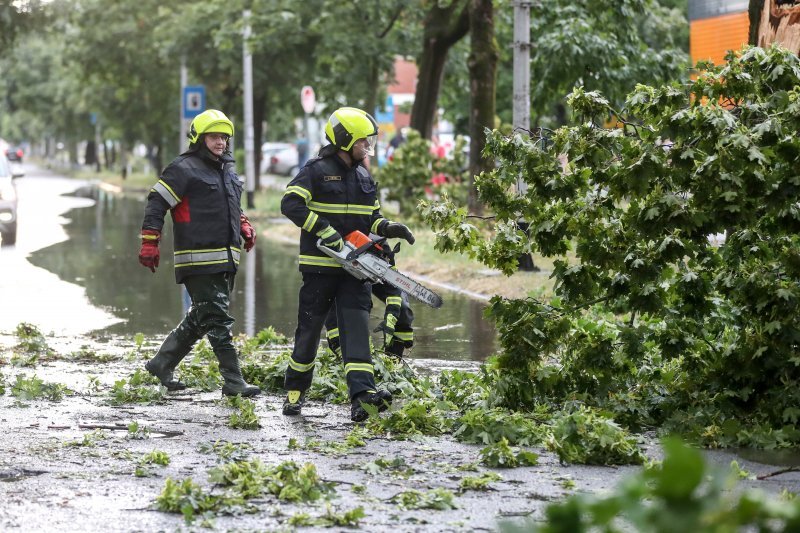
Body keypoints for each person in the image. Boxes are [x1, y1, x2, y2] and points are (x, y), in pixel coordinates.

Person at [280, 107, 416, 422]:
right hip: (319, 268)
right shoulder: (315, 171)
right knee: (309, 331)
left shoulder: (364, 176)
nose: (367, 147)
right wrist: (325, 230)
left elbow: (372, 218)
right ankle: (295, 393)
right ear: (344, 139)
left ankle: (362, 397)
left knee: (357, 330)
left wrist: (388, 227)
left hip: (356, 268)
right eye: (362, 141)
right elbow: (290, 203)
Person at [138, 109, 260, 398]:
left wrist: (243, 223)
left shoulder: (227, 168)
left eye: (224, 138)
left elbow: (232, 204)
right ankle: (233, 380)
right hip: (198, 259)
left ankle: (162, 362)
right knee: (217, 318)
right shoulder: (183, 168)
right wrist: (149, 241)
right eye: (215, 136)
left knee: (202, 315)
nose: (221, 143)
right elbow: (157, 203)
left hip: (226, 257)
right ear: (199, 138)